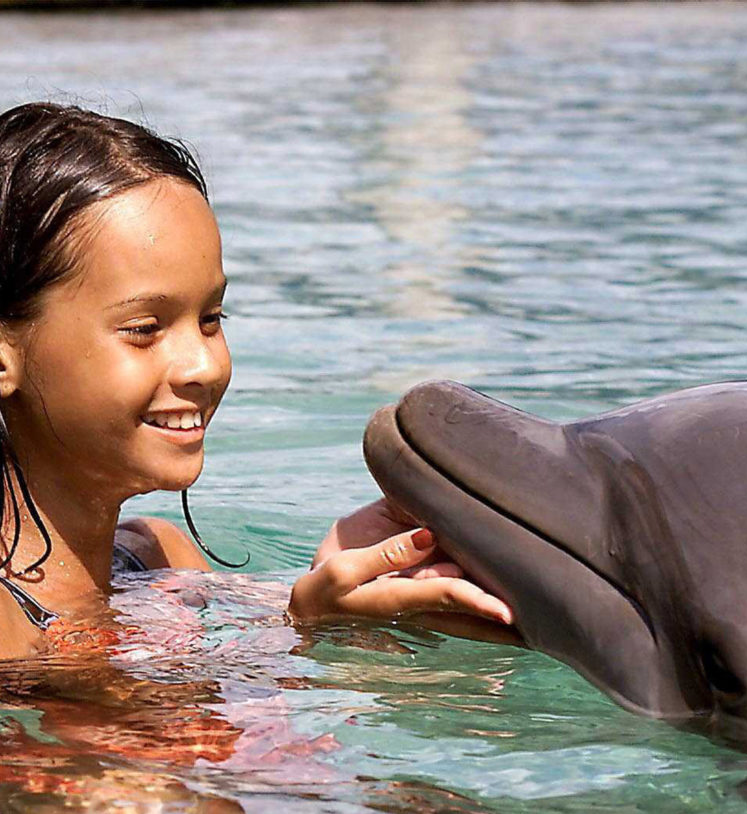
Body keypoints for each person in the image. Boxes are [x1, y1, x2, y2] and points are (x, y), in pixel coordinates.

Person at [0, 102, 515, 661]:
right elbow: (119, 734)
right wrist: (306, 634)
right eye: (144, 329)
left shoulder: (158, 561)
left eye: (211, 320)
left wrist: (355, 575)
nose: (203, 366)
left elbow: (276, 627)